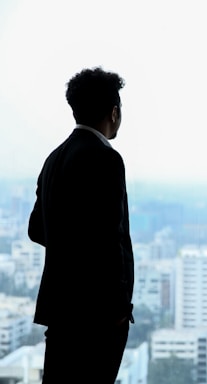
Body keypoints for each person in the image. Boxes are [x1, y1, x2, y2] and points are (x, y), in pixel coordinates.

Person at [28, 67, 134, 383]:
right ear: (113, 112)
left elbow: (37, 229)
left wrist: (68, 245)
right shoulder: (105, 158)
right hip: (97, 317)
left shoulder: (54, 158)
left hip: (60, 310)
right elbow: (108, 239)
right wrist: (116, 312)